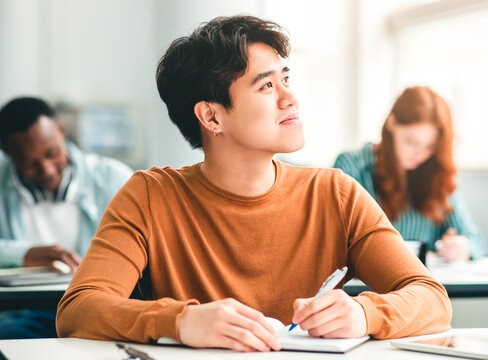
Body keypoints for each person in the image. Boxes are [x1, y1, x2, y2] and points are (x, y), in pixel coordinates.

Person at [56, 16, 451, 352]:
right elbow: (78, 310)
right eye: (266, 86)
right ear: (211, 118)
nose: (290, 98)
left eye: (286, 79)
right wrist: (181, 321)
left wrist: (365, 312)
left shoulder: (336, 193)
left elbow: (432, 298)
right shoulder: (149, 195)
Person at [0, 97, 133, 338]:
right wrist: (24, 254)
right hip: (26, 314)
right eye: (30, 164)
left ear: (61, 130)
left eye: (52, 153)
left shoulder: (115, 179)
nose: (48, 170)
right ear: (9, 154)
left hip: (100, 310)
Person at [334, 86, 487, 262]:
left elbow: (476, 240)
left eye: (430, 147)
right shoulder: (352, 166)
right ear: (391, 123)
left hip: (420, 286)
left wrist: (463, 248)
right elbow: (332, 241)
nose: (420, 154)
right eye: (411, 142)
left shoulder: (437, 173)